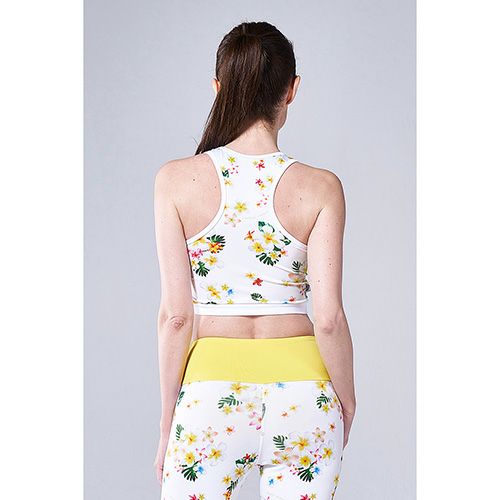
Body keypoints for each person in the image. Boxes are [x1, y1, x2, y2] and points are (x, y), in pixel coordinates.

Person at [153, 21, 356, 500]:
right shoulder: (321, 187)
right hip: (305, 393)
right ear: (292, 89)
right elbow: (328, 318)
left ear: (218, 88)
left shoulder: (175, 181)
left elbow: (176, 316)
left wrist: (167, 424)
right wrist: (346, 402)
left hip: (209, 395)